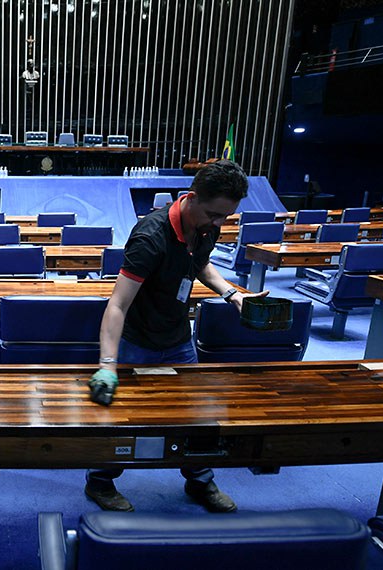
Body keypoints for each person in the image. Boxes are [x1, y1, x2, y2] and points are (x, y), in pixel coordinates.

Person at [85, 159, 269, 513]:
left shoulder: (206, 225)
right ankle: (100, 481)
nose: (219, 224)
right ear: (192, 197)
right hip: (138, 340)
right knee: (124, 417)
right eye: (214, 215)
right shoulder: (150, 237)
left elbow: (199, 265)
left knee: (195, 415)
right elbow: (117, 304)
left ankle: (199, 479)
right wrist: (107, 364)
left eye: (225, 217)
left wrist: (232, 294)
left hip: (178, 338)